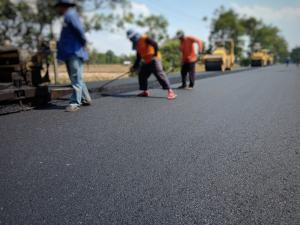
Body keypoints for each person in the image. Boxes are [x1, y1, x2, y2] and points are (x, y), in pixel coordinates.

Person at [55, 0, 92, 112]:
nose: (58, 9)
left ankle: (75, 103)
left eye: (59, 7)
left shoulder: (70, 15)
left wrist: (84, 43)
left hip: (74, 51)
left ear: (63, 6)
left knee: (76, 77)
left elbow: (79, 30)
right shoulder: (67, 16)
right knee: (77, 77)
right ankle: (86, 98)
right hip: (69, 51)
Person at [127, 30, 177, 100]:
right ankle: (145, 92)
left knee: (160, 74)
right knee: (142, 74)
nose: (131, 39)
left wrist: (155, 55)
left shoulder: (145, 38)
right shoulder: (136, 44)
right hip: (146, 61)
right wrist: (134, 67)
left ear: (136, 35)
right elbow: (138, 58)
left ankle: (171, 92)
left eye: (132, 37)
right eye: (130, 38)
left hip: (154, 59)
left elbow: (155, 44)